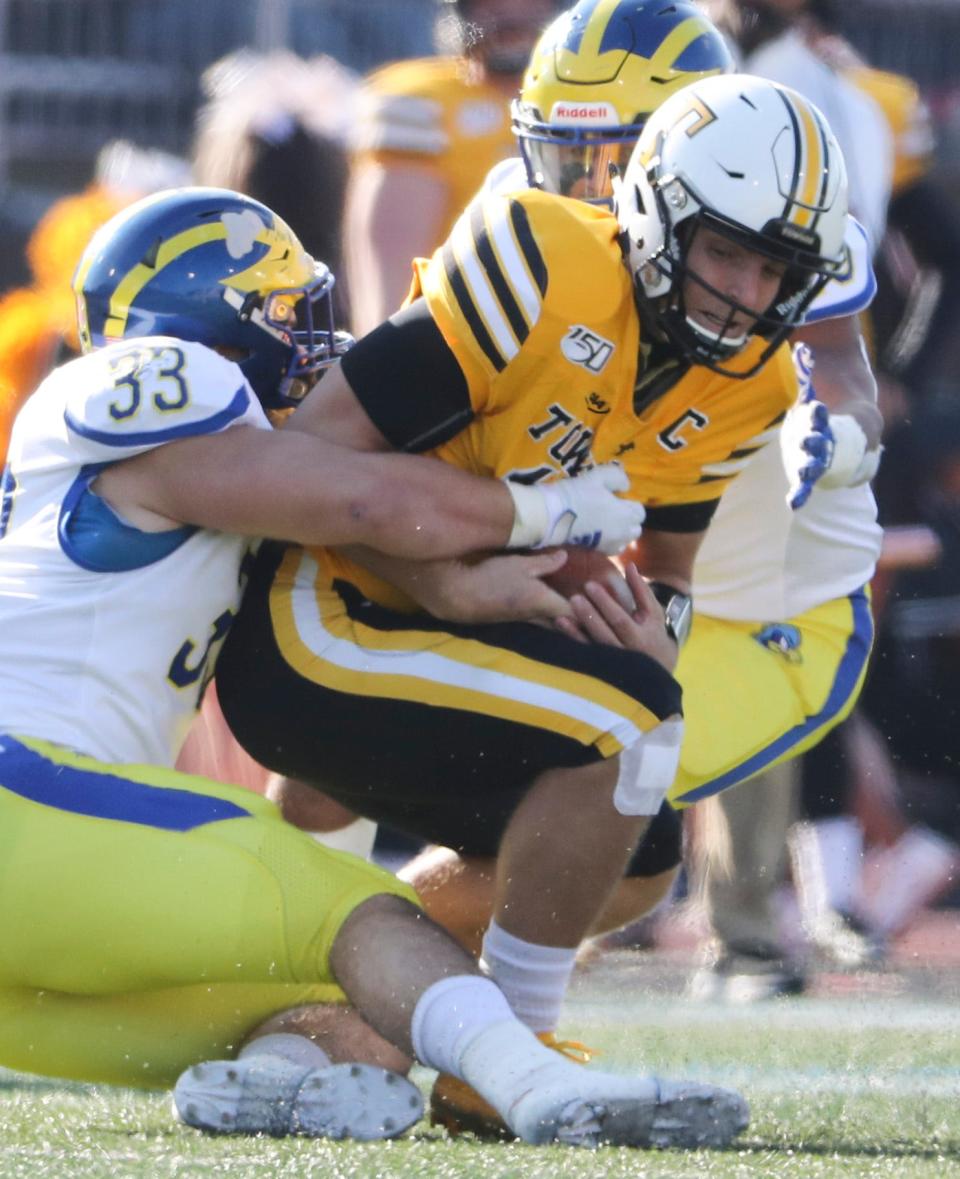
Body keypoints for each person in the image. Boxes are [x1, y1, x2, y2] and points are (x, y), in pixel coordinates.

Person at [0, 185, 755, 1150]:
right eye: (289, 316)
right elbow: (358, 503)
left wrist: (485, 590)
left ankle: (276, 1081)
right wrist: (547, 510)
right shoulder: (158, 381)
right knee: (369, 914)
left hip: (44, 903)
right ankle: (533, 1087)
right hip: (27, 800)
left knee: (359, 1001)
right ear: (201, 320)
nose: (318, 347)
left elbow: (358, 534)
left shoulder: (204, 482)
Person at [213, 72, 851, 1129]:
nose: (745, 291)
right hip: (324, 608)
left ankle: (322, 1019)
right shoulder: (539, 262)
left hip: (459, 621)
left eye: (771, 267)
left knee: (641, 852)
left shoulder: (756, 382)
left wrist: (653, 628)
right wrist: (442, 575)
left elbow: (669, 570)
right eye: (725, 251)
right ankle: (509, 1067)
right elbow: (306, 465)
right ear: (657, 221)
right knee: (627, 726)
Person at [344, 0, 563, 335]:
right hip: (460, 342)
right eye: (492, 4)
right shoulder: (422, 102)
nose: (512, 18)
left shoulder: (588, 99)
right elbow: (392, 288)